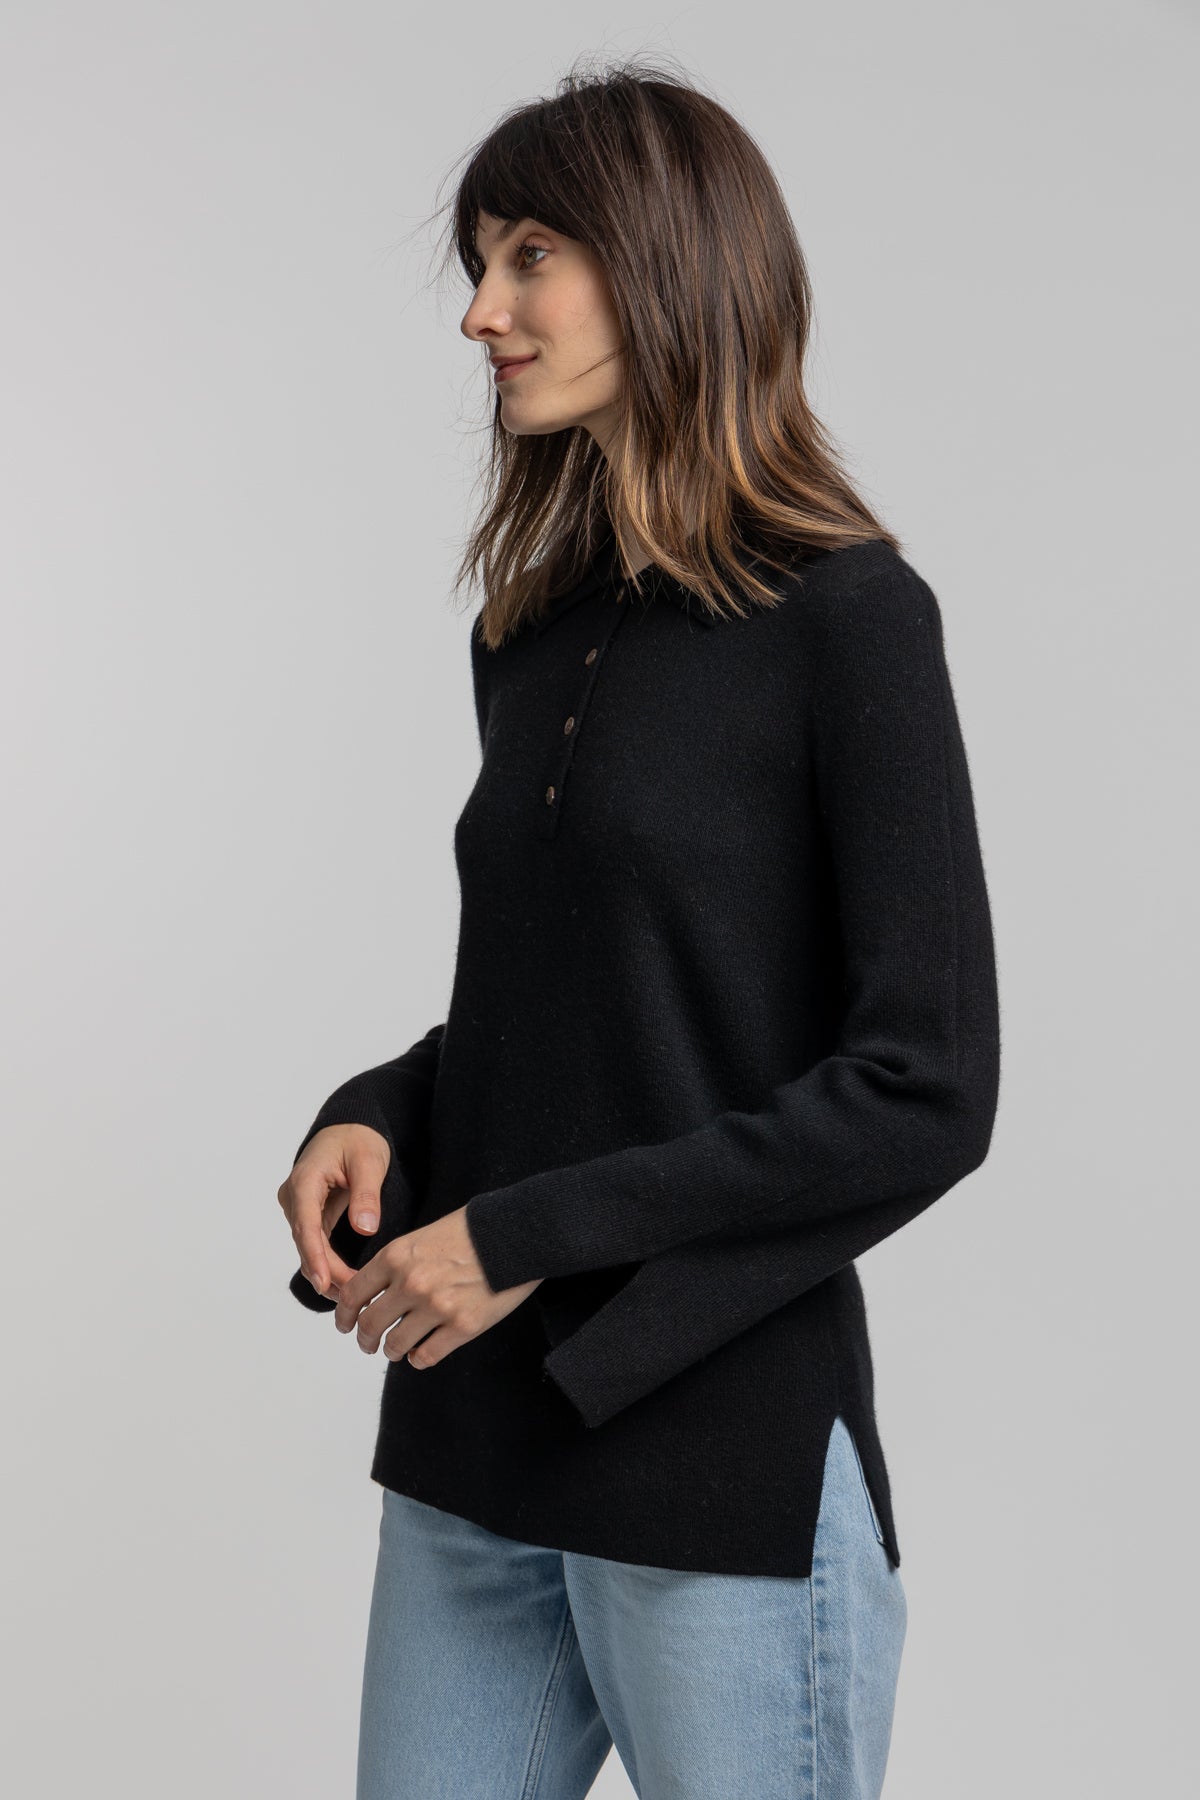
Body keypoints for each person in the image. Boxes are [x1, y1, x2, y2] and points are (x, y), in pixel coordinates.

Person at [277, 57, 1000, 1800]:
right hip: (472, 1455)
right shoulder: (528, 632)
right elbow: (586, 1003)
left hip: (717, 1470)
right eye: (481, 260)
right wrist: (382, 1107)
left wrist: (520, 1230)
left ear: (671, 265)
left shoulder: (850, 619)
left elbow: (924, 1089)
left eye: (531, 254)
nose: (482, 310)